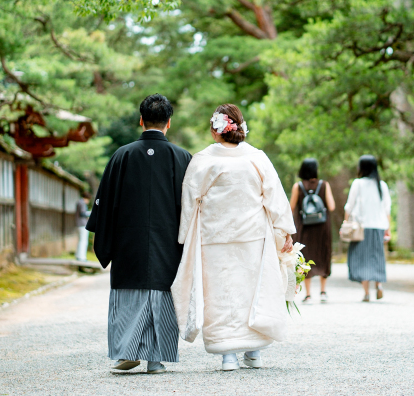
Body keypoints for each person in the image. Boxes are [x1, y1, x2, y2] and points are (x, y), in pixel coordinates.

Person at [172, 104, 296, 372]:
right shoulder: (257, 157)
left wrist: (183, 237)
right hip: (252, 235)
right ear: (240, 128)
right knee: (254, 292)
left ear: (216, 131)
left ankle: (228, 356)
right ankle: (254, 351)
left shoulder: (203, 159)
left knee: (221, 294)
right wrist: (283, 229)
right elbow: (274, 195)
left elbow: (189, 200)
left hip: (214, 236)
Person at [85, 94, 192, 374]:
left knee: (130, 296)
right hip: (169, 244)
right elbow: (194, 207)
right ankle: (156, 360)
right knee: (162, 295)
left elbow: (104, 203)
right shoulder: (182, 158)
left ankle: (127, 352)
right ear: (169, 123)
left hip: (128, 243)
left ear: (141, 120)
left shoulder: (122, 155)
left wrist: (105, 240)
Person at [344, 155, 391, 302]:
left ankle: (366, 292)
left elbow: (349, 206)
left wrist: (345, 223)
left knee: (362, 258)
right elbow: (387, 208)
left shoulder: (357, 184)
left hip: (361, 227)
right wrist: (387, 228)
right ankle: (379, 285)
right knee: (377, 257)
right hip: (378, 227)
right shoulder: (381, 185)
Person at [289, 158, 336, 304]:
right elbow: (332, 206)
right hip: (322, 227)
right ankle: (323, 291)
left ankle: (308, 294)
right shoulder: (324, 185)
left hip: (304, 227)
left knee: (305, 256)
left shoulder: (298, 186)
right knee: (323, 254)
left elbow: (291, 207)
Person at [75, 194, 91, 262]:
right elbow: (82, 213)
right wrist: (90, 213)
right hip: (82, 224)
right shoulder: (82, 203)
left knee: (80, 241)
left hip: (78, 224)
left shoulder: (79, 202)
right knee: (83, 241)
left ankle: (78, 255)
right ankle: (82, 257)